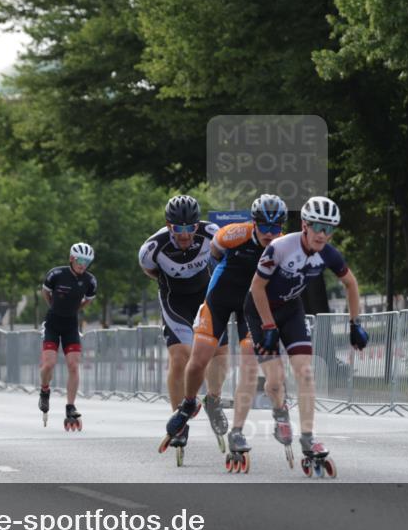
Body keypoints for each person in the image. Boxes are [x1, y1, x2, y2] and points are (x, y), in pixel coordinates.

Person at [245, 196, 368, 477]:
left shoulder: (328, 253)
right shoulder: (279, 248)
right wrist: (266, 326)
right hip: (260, 310)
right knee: (275, 381)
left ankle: (308, 437)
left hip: (291, 310)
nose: (323, 235)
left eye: (329, 229)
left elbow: (351, 284)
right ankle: (279, 414)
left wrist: (354, 323)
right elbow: (256, 288)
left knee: (305, 373)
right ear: (304, 225)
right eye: (317, 227)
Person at [165, 194, 288, 469]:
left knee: (248, 362)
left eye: (275, 228)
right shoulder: (231, 235)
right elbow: (214, 258)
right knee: (198, 361)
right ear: (253, 223)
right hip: (218, 303)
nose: (270, 234)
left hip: (251, 309)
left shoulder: (283, 247)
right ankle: (188, 405)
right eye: (264, 227)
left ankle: (238, 431)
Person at [138, 195, 220, 457]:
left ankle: (213, 401)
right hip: (174, 301)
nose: (184, 235)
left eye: (189, 228)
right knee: (180, 357)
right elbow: (150, 270)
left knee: (211, 354)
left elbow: (225, 258)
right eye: (178, 229)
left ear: (197, 225)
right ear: (168, 225)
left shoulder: (212, 234)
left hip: (204, 296)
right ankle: (180, 419)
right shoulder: (152, 248)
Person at [38, 242, 97, 431]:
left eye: (87, 261)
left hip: (71, 324)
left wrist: (74, 310)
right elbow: (46, 293)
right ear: (72, 259)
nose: (83, 264)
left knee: (73, 365)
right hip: (53, 323)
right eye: (80, 260)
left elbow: (87, 300)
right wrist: (55, 307)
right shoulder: (56, 274)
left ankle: (70, 406)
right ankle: (44, 390)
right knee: (49, 364)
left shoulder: (90, 281)